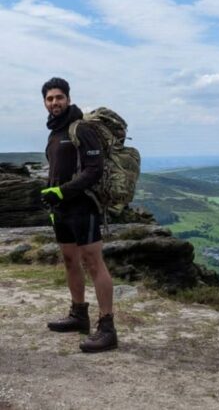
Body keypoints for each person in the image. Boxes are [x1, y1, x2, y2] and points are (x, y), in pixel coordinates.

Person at [40, 77, 118, 353]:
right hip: (61, 210)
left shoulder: (80, 128)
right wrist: (53, 201)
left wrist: (62, 192)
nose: (54, 102)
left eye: (59, 97)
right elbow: (55, 172)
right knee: (70, 261)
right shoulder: (54, 133)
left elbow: (94, 169)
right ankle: (78, 315)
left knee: (94, 263)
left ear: (68, 99)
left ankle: (107, 328)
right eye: (49, 99)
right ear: (45, 103)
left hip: (84, 207)